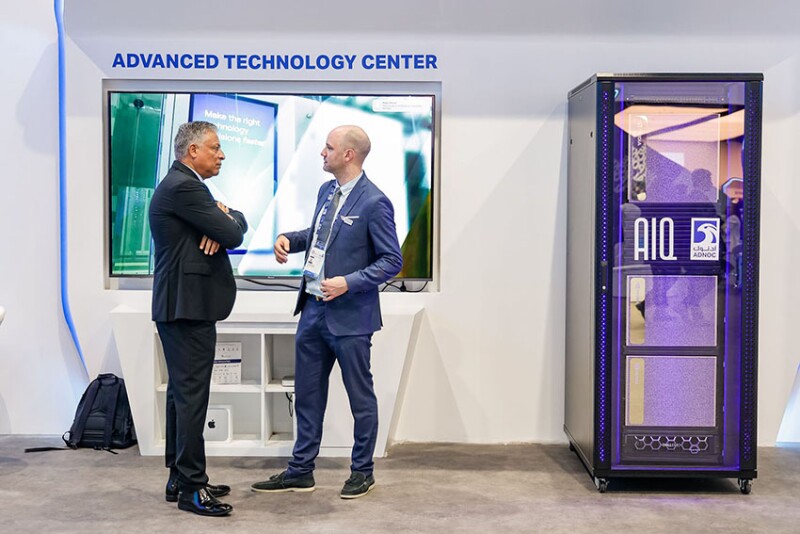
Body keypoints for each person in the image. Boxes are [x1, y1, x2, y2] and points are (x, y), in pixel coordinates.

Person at [251, 125, 402, 499]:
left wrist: (348, 282)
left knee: (359, 397)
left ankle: (362, 471)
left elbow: (391, 260)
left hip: (350, 318)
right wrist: (290, 238)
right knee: (306, 394)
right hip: (313, 311)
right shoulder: (326, 191)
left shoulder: (374, 202)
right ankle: (301, 470)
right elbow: (320, 234)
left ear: (348, 155)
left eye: (329, 147)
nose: (322, 152)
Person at [149, 121, 247, 517]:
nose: (221, 154)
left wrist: (223, 220)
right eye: (215, 147)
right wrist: (223, 223)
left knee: (180, 395)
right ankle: (192, 487)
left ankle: (179, 476)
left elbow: (229, 224)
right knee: (191, 398)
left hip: (180, 307)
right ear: (192, 152)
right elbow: (234, 233)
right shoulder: (187, 187)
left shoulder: (181, 187)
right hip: (187, 308)